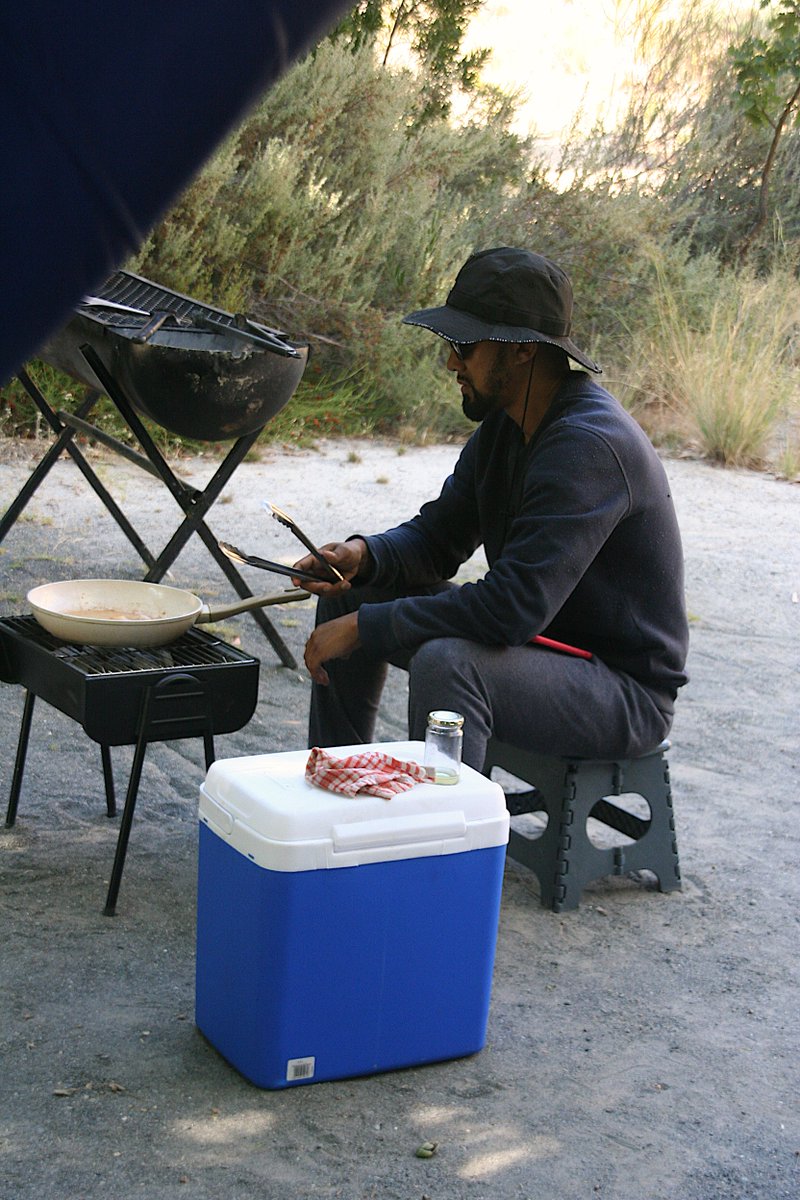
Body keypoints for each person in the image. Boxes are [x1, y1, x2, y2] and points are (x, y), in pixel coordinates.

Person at [293, 246, 689, 771]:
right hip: (540, 650)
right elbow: (438, 540)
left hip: (620, 690)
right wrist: (363, 556)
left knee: (448, 663)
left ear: (522, 349)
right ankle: (338, 791)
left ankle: (441, 845)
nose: (451, 361)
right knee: (355, 596)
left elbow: (511, 609)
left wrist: (371, 628)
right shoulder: (508, 425)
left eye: (464, 344)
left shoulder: (588, 445)